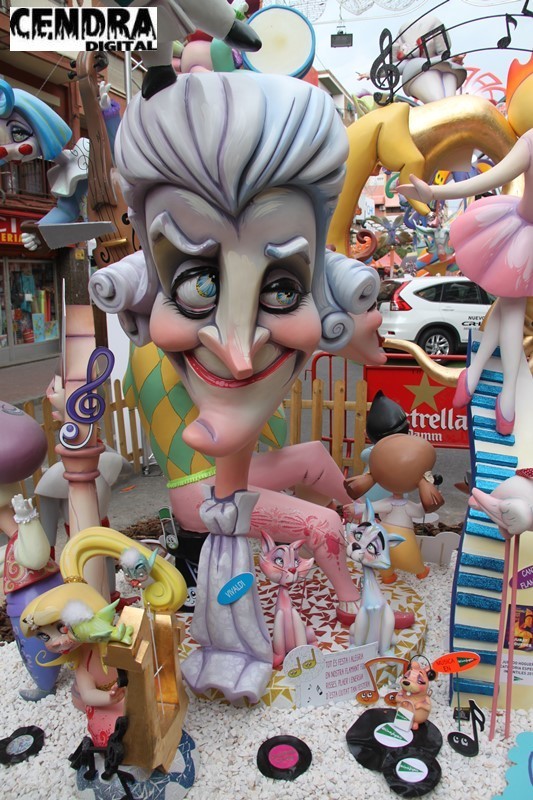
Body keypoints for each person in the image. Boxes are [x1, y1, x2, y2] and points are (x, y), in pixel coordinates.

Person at [89, 72, 380, 702]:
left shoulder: (259, 348)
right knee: (318, 526)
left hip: (234, 481)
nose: (239, 353)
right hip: (200, 493)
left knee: (316, 457)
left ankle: (360, 517)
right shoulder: (157, 351)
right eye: (197, 283)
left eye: (282, 287)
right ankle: (351, 603)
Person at [398, 55, 533, 435]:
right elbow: (486, 179)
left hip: (525, 235)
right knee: (511, 309)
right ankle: (507, 396)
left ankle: (472, 376)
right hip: (518, 232)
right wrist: (433, 192)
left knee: (507, 306)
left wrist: (433, 191)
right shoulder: (530, 141)